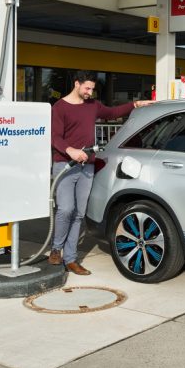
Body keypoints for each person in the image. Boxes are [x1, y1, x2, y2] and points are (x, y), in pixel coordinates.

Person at [49, 71, 153, 275]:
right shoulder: (60, 107)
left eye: (92, 89)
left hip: (87, 165)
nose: (89, 92)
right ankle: (56, 248)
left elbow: (112, 113)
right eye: (86, 88)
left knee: (79, 213)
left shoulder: (92, 105)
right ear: (76, 84)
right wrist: (70, 150)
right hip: (65, 165)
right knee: (66, 210)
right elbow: (54, 136)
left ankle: (70, 259)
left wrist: (135, 105)